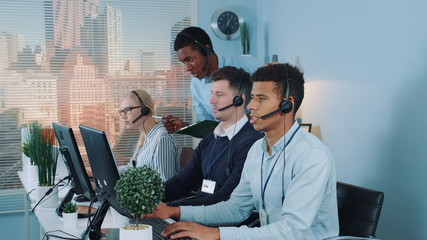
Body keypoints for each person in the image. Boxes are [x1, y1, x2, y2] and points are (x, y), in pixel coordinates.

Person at [146, 63, 339, 239]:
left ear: (287, 104)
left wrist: (216, 234)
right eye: (253, 97)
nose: (252, 106)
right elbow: (235, 209)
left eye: (261, 98)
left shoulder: (311, 156)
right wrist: (175, 212)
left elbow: (292, 230)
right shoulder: (258, 150)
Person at [163, 66, 263, 206]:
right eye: (212, 93)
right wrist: (149, 197)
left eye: (219, 94)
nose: (211, 101)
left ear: (239, 100)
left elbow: (225, 198)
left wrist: (171, 210)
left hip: (220, 222)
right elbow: (184, 180)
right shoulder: (210, 138)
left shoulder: (251, 143)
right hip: (197, 212)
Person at [163, 26, 262, 133]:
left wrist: (238, 121)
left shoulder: (250, 66)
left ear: (207, 50)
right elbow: (208, 128)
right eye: (184, 62)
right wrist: (184, 126)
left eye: (190, 59)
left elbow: (276, 103)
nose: (187, 68)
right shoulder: (196, 85)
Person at [117, 89, 179, 181]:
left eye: (127, 110)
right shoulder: (145, 137)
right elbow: (131, 169)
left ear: (145, 110)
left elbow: (164, 184)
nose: (123, 116)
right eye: (121, 111)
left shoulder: (162, 139)